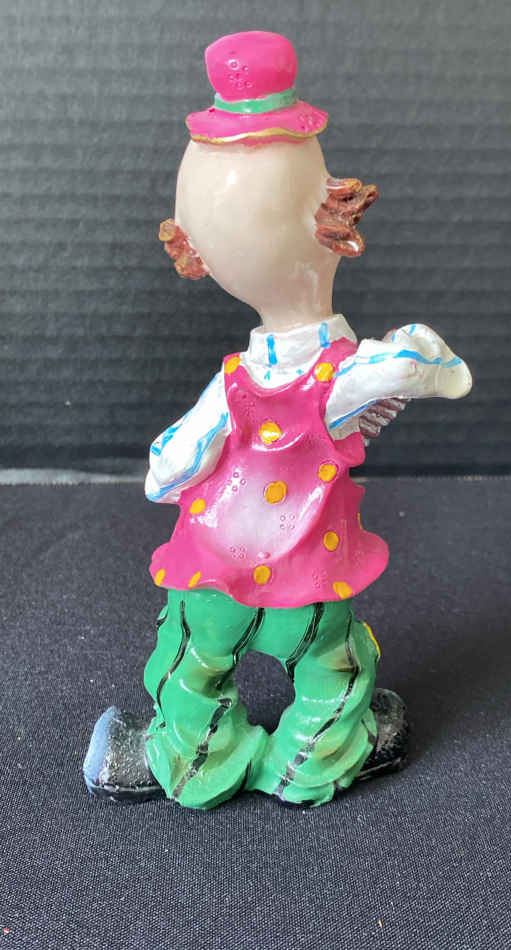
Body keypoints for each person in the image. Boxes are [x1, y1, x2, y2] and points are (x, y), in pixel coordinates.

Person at [84, 30, 471, 809]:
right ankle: (309, 762)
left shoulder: (233, 384)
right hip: (310, 573)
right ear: (334, 214)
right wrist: (414, 356)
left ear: (200, 254)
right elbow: (422, 370)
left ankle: (193, 757)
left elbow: (169, 468)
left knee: (189, 663)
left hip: (209, 568)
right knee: (337, 668)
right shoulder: (341, 374)